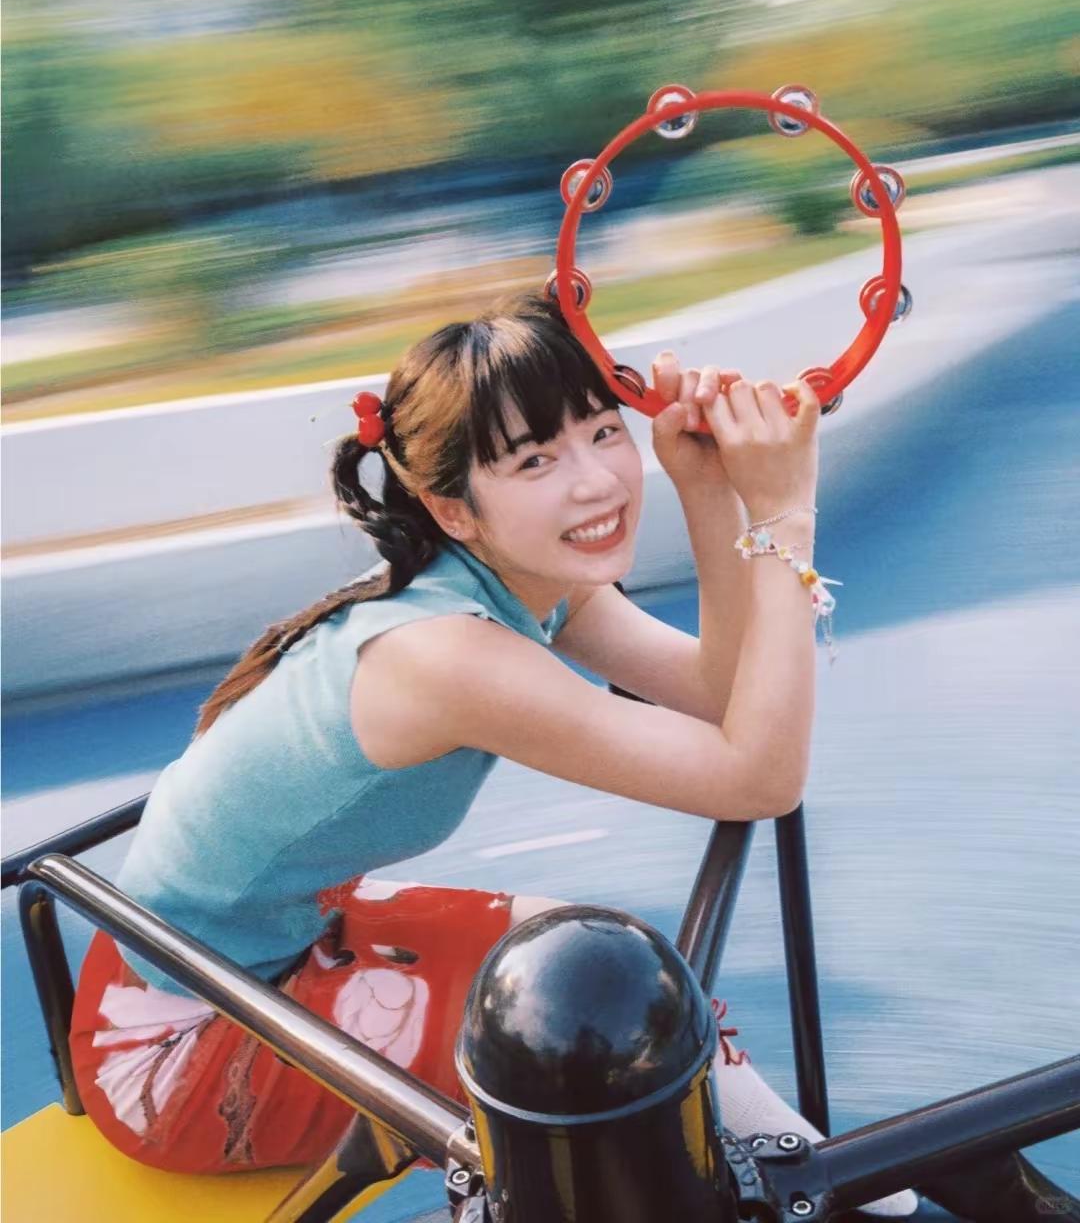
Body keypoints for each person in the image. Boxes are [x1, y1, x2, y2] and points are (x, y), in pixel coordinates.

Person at [68, 292, 915, 1216]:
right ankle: (838, 1193)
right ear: (453, 509)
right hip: (175, 1044)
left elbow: (718, 695)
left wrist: (707, 490)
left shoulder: (523, 581)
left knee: (592, 964)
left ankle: (827, 1181)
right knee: (580, 1053)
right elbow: (760, 777)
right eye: (535, 460)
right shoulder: (448, 656)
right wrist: (785, 513)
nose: (595, 482)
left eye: (602, 432)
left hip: (241, 950)